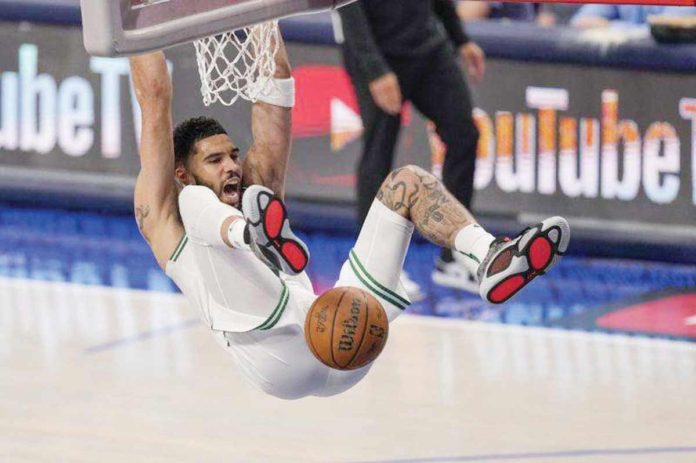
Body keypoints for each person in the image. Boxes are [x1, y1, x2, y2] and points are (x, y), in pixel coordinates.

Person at [129, 39, 570, 400]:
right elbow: (154, 98)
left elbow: (275, 88)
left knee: (407, 184)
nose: (230, 166)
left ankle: (489, 257)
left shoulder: (253, 189)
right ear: (183, 172)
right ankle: (250, 237)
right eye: (214, 160)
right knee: (197, 205)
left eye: (232, 155)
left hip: (340, 334)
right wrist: (132, 20)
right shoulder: (165, 211)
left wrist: (259, 13)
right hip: (272, 354)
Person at [338, 0, 486, 296]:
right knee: (379, 152)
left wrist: (461, 39)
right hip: (379, 52)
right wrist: (374, 69)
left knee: (464, 135)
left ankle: (453, 257)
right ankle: (374, 268)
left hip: (428, 47)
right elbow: (348, 7)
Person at [571, 4, 696, 29]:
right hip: (625, 75)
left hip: (673, 76)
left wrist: (610, 26)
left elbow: (665, 30)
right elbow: (580, 21)